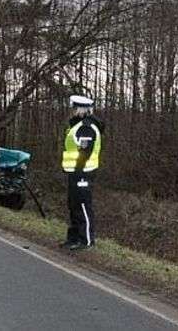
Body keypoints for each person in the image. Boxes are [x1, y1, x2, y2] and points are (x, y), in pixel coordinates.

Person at [60, 95, 104, 251]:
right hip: (76, 173)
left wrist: (78, 170)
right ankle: (73, 238)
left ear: (80, 109)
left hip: (83, 173)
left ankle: (86, 240)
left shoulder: (86, 127)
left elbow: (85, 151)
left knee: (83, 206)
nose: (71, 111)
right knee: (73, 205)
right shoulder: (77, 126)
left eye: (74, 108)